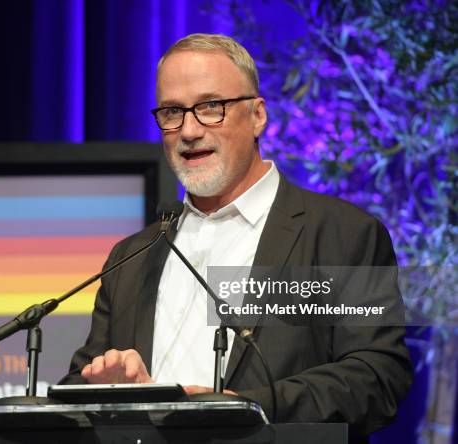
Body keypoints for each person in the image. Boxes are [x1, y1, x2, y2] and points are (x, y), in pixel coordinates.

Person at [60, 33, 412, 439]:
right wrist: (109, 390)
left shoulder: (341, 234)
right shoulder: (133, 256)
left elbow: (377, 376)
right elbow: (78, 386)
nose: (189, 130)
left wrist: (242, 409)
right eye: (173, 111)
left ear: (258, 115)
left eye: (211, 107)